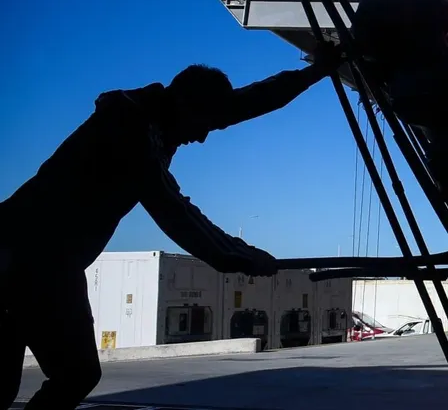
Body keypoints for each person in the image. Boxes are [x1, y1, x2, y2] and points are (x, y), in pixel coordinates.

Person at [0, 43, 342, 410]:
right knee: (75, 374)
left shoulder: (157, 119)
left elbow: (250, 101)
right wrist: (239, 255)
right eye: (205, 124)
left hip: (37, 260)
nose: (203, 137)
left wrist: (314, 72)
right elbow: (172, 208)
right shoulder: (130, 128)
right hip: (30, 260)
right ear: (186, 106)